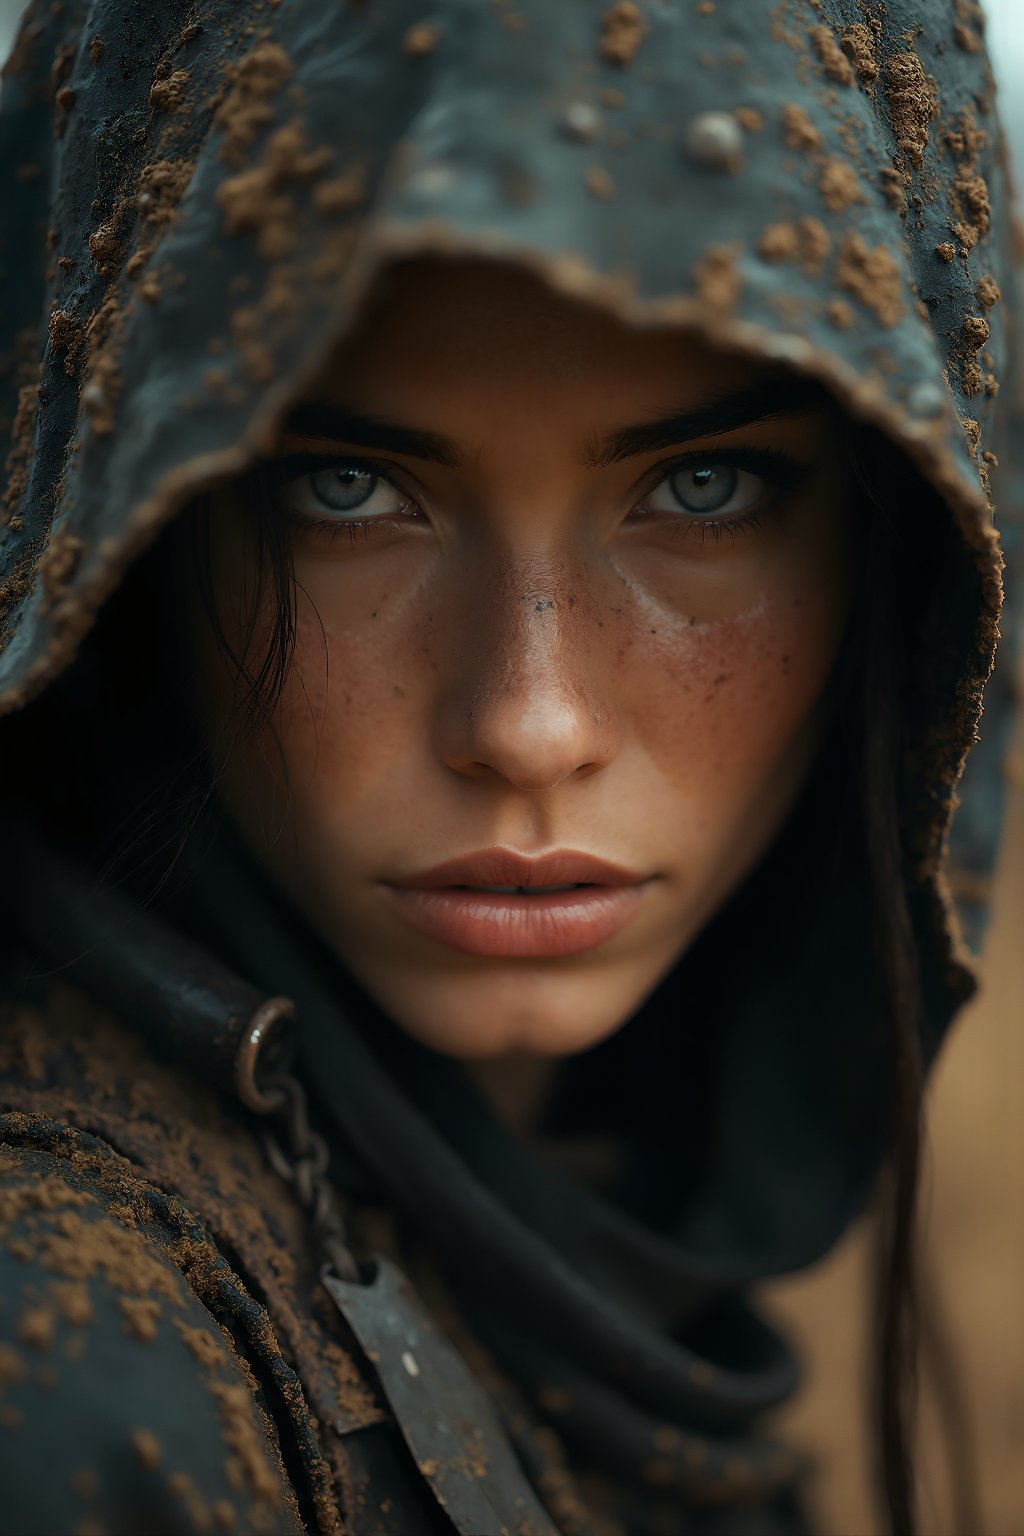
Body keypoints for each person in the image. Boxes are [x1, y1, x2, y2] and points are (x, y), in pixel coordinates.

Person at [0, 1, 1017, 1532]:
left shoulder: (625, 1238)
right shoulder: (83, 1395)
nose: (530, 723)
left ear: (909, 556)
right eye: (345, 490)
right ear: (126, 521)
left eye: (704, 484)